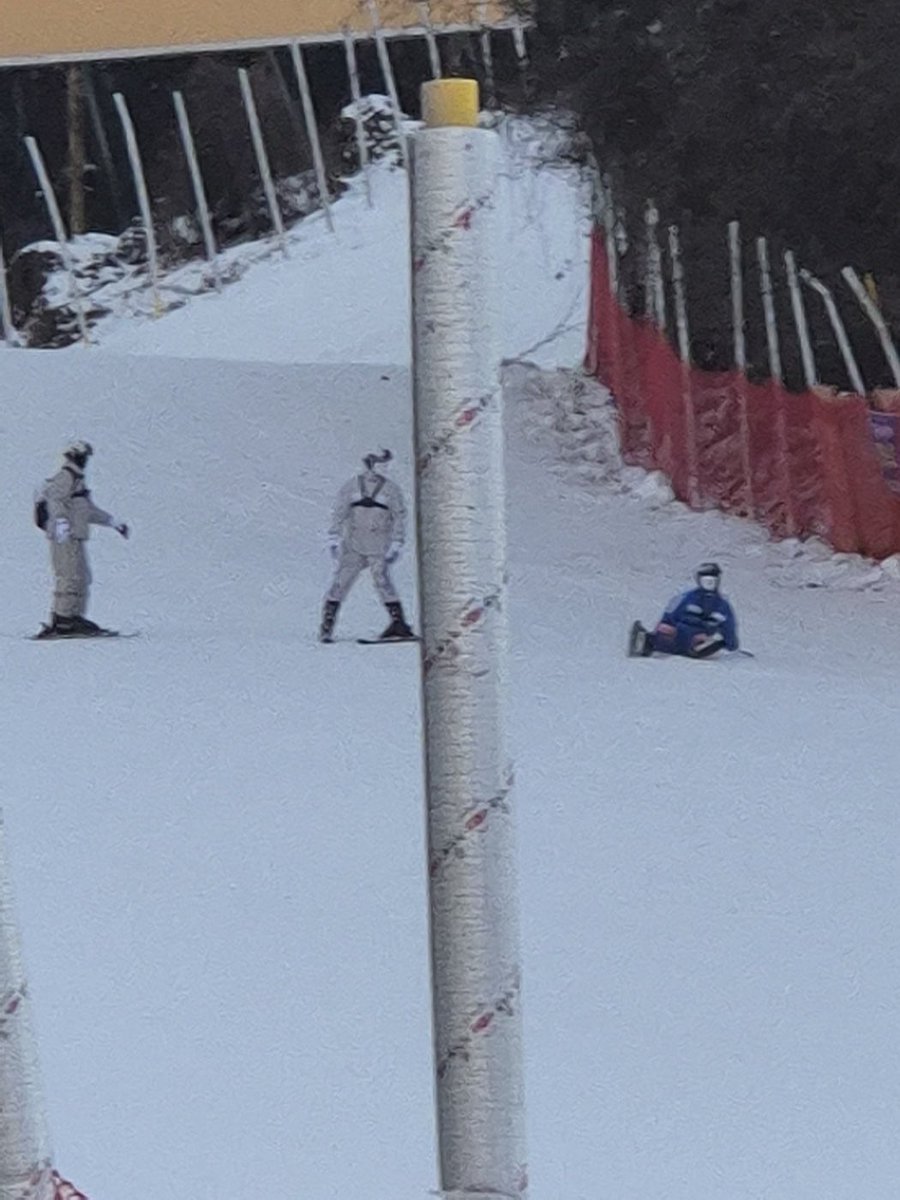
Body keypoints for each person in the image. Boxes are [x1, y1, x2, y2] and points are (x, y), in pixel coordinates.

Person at [34, 440, 130, 639]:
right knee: (68, 576)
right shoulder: (66, 476)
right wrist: (60, 523)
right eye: (83, 455)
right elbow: (55, 500)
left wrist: (112, 522)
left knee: (81, 576)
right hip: (64, 537)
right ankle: (62, 618)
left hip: (75, 537)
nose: (85, 460)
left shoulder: (78, 481)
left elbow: (87, 511)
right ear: (74, 455)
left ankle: (74, 615)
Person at [319, 449, 416, 643]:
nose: (381, 467)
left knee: (383, 582)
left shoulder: (391, 490)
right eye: (378, 462)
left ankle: (399, 623)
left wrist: (397, 541)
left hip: (379, 545)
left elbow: (399, 516)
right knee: (341, 582)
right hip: (354, 545)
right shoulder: (352, 486)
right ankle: (327, 625)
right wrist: (334, 535)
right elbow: (340, 511)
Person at [630, 562, 739, 659]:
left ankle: (699, 650)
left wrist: (730, 644)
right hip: (679, 636)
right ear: (699, 580)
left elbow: (729, 628)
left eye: (712, 581)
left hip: (700, 640)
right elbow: (670, 615)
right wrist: (665, 627)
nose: (709, 584)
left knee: (713, 640)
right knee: (665, 637)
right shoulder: (687, 598)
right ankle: (645, 641)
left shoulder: (722, 606)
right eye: (706, 580)